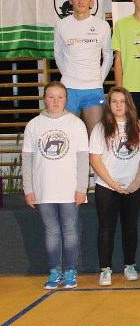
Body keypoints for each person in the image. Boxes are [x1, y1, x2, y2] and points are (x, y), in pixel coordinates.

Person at [22, 82, 89, 289]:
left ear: (66, 100)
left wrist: (82, 188)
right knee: (51, 232)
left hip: (69, 189)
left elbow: (83, 158)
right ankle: (54, 271)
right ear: (45, 99)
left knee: (70, 230)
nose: (56, 101)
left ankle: (70, 271)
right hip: (44, 189)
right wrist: (28, 189)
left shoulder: (76, 124)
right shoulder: (33, 125)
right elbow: (27, 159)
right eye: (51, 97)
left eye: (60, 97)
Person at [89, 87, 140, 286]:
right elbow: (95, 159)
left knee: (130, 228)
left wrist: (137, 181)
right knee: (106, 228)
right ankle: (105, 269)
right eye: (114, 101)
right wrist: (112, 183)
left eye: (122, 101)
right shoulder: (100, 128)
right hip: (107, 187)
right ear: (109, 105)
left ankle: (129, 265)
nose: (118, 105)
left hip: (133, 187)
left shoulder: (139, 127)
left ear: (128, 104)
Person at [54, 0, 112, 136]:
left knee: (95, 136)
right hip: (69, 88)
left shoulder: (102, 25)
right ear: (71, 1)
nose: (81, 1)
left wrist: (99, 79)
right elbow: (58, 54)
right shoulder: (61, 24)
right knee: (68, 135)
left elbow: (108, 56)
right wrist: (68, 75)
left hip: (93, 88)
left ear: (91, 2)